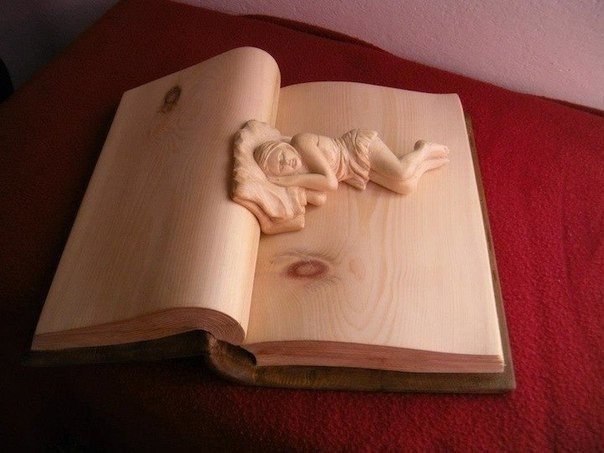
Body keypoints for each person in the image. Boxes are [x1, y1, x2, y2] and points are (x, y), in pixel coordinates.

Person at [253, 129, 449, 196]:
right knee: (406, 187)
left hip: (356, 147)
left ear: (283, 146)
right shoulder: (301, 171)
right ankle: (427, 163)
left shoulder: (300, 142)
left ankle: (424, 149)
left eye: (281, 156)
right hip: (353, 170)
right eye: (281, 167)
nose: (287, 162)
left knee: (402, 172)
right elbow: (320, 197)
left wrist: (290, 181)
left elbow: (330, 183)